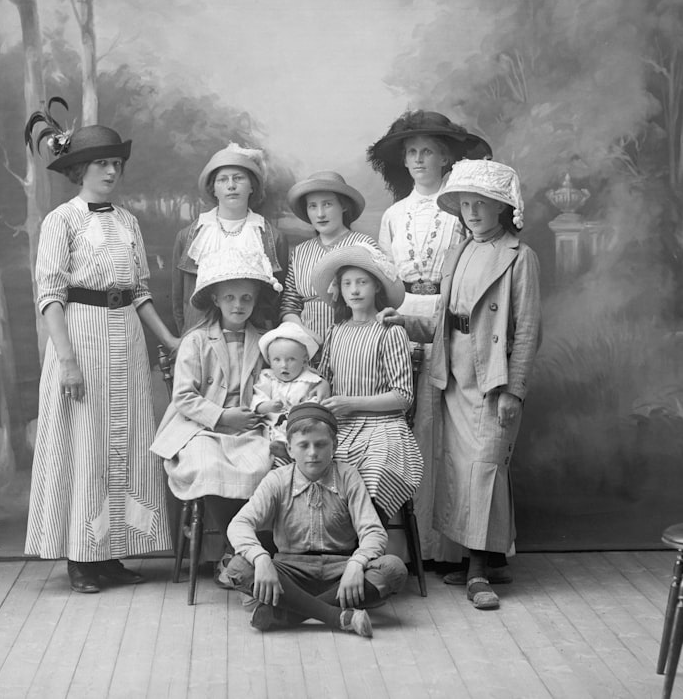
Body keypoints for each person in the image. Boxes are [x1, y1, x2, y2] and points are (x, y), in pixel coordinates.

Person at [23, 111, 180, 594]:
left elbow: (140, 292)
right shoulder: (61, 220)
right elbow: (50, 295)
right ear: (79, 170)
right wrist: (66, 359)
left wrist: (169, 340)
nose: (111, 171)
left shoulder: (128, 221)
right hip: (80, 336)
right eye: (101, 164)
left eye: (116, 163)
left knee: (125, 439)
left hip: (125, 337)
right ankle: (80, 557)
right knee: (87, 441)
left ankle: (110, 554)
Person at [379, 159, 541, 610]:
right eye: (466, 204)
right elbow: (445, 321)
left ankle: (478, 572)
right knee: (458, 467)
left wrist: (514, 390)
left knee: (485, 466)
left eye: (482, 204)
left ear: (501, 207)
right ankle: (489, 560)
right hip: (454, 373)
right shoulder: (460, 252)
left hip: (493, 375)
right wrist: (406, 322)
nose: (472, 212)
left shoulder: (519, 256)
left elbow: (528, 330)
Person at [367, 109, 492, 569]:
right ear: (403, 160)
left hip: (451, 313)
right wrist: (394, 319)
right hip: (403, 315)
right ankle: (407, 547)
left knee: (448, 427)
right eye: (412, 152)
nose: (419, 159)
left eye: (428, 151)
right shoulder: (394, 215)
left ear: (445, 158)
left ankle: (451, 545)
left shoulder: (461, 209)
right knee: (409, 425)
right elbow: (386, 276)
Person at [224, 402, 408, 637]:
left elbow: (373, 530)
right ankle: (336, 615)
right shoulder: (277, 480)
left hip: (340, 571)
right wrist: (260, 558)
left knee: (393, 569)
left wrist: (357, 563)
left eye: (321, 444)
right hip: (289, 572)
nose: (312, 453)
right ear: (290, 449)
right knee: (238, 567)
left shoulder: (347, 476)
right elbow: (240, 524)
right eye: (304, 445)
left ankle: (287, 612)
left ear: (334, 446)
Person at [151, 247, 284, 565]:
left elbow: (272, 386)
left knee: (266, 462)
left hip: (250, 426)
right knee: (207, 464)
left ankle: (250, 549)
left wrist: (259, 412)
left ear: (255, 300)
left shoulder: (264, 341)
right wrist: (222, 416)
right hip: (201, 426)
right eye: (230, 298)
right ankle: (238, 548)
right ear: (215, 299)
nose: (238, 305)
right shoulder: (196, 341)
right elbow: (184, 397)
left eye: (246, 298)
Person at [310, 245, 423, 525]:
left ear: (376, 287)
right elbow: (326, 378)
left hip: (384, 428)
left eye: (362, 282)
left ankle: (366, 541)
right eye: (347, 284)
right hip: (342, 427)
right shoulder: (336, 332)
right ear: (339, 290)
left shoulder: (390, 331)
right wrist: (322, 387)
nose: (355, 290)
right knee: (315, 468)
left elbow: (403, 397)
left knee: (374, 476)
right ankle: (335, 542)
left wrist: (351, 403)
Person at [171, 142, 288, 334]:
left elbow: (276, 303)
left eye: (239, 178)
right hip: (199, 340)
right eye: (222, 180)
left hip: (253, 341)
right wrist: (187, 340)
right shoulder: (190, 237)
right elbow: (179, 302)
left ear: (252, 187)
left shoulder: (272, 238)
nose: (231, 186)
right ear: (213, 189)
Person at [280, 171, 379, 343]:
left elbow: (379, 298)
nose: (320, 214)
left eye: (327, 204)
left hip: (355, 341)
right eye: (312, 206)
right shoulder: (300, 252)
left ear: (343, 206)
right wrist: (307, 336)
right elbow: (289, 305)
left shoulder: (363, 245)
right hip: (308, 345)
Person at [251, 321, 331, 466]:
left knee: (306, 430)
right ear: (269, 361)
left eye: (291, 359)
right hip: (273, 424)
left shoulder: (310, 381)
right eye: (277, 360)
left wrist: (303, 409)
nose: (284, 365)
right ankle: (282, 447)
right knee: (271, 433)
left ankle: (296, 449)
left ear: (304, 361)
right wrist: (267, 406)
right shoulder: (267, 378)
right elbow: (257, 396)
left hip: (300, 423)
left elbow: (315, 402)